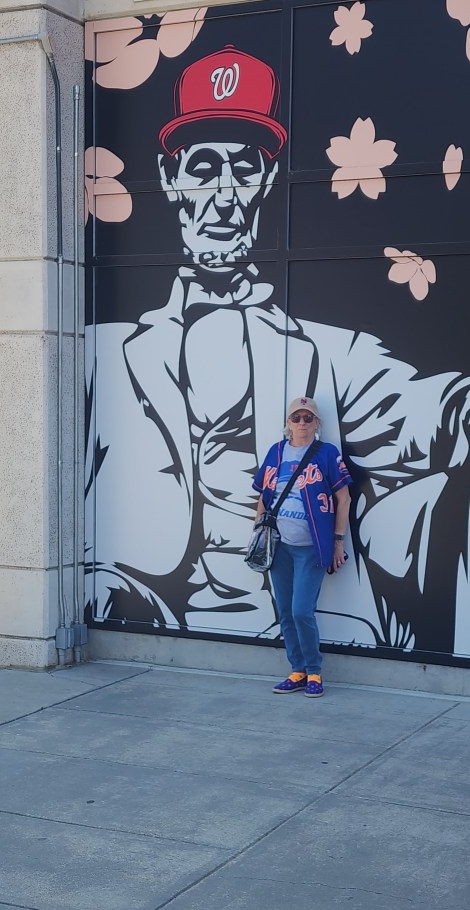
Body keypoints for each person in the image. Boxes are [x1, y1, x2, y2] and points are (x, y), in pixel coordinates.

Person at [86, 44, 470, 657]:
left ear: (266, 182)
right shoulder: (104, 353)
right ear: (169, 178)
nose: (224, 196)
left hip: (290, 591)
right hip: (147, 610)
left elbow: (434, 411)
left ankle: (304, 667)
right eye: (203, 168)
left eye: (244, 169)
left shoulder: (330, 351)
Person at [252, 397, 351, 696]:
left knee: (301, 612)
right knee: (284, 610)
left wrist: (337, 542)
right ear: (288, 423)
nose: (302, 423)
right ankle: (297, 671)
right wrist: (257, 533)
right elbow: (263, 496)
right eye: (296, 417)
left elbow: (344, 499)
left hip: (312, 546)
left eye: (309, 418)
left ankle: (314, 672)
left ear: (317, 423)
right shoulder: (276, 451)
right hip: (278, 546)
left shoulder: (327, 453)